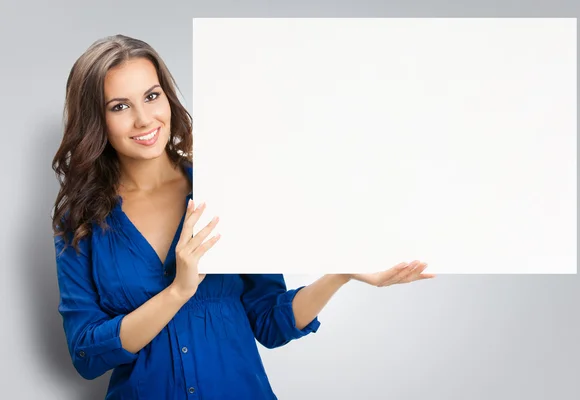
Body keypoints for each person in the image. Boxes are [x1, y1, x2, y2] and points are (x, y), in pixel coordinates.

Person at [51, 34, 435, 400]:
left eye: (152, 96)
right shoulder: (79, 220)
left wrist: (341, 272)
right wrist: (178, 292)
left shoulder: (229, 189)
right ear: (96, 120)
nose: (144, 119)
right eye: (120, 106)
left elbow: (269, 321)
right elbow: (87, 354)